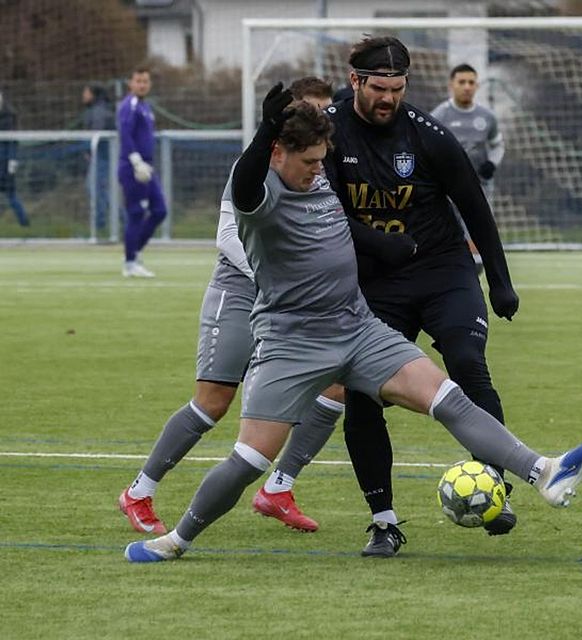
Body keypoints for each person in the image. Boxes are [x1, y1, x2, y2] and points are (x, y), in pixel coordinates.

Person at [123, 86, 582, 563]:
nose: (319, 172)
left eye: (322, 161)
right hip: (293, 342)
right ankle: (177, 540)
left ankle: (545, 472)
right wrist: (267, 128)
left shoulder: (317, 178)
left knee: (448, 397)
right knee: (249, 460)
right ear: (279, 154)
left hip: (358, 327)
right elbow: (249, 179)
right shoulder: (260, 195)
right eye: (310, 162)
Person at [259, 36, 523, 557]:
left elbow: (473, 203)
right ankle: (383, 522)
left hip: (442, 268)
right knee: (361, 393)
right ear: (354, 80)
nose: (389, 98)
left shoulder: (427, 134)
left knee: (468, 362)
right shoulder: (330, 131)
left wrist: (500, 278)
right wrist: (381, 244)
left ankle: (492, 487)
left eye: (397, 88)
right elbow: (321, 211)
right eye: (379, 87)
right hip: (376, 282)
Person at [118, 77, 407, 535]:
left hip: (292, 306)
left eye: (327, 112)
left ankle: (278, 486)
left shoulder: (316, 168)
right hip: (241, 291)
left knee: (336, 388)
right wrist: (278, 278)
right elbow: (228, 236)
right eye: (314, 111)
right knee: (213, 402)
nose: (323, 120)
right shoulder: (254, 167)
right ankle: (140, 491)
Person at [430, 63, 505, 272]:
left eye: (471, 82)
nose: (467, 87)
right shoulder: (439, 115)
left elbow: (498, 145)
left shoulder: (486, 117)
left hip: (480, 186)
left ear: (477, 86)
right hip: (447, 188)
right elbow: (428, 148)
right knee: (446, 229)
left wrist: (492, 163)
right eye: (461, 82)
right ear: (451, 85)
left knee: (477, 230)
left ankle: (475, 274)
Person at [117, 66, 166, 278]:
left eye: (145, 81)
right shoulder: (130, 105)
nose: (142, 85)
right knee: (136, 212)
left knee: (160, 210)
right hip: (133, 166)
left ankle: (134, 251)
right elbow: (125, 133)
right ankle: (130, 262)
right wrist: (135, 160)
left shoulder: (146, 106)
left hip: (147, 167)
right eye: (138, 81)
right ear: (131, 83)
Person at [81, 84, 114, 232]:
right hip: (102, 155)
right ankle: (121, 220)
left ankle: (100, 224)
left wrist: (89, 150)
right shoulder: (96, 110)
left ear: (93, 95)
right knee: (100, 190)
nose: (83, 95)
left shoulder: (99, 112)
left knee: (93, 187)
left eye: (86, 92)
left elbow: (97, 133)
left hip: (102, 155)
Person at [0, 90, 29, 227]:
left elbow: (12, 141)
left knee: (11, 195)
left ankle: (24, 223)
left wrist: (12, 161)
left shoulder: (8, 116)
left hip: (5, 163)